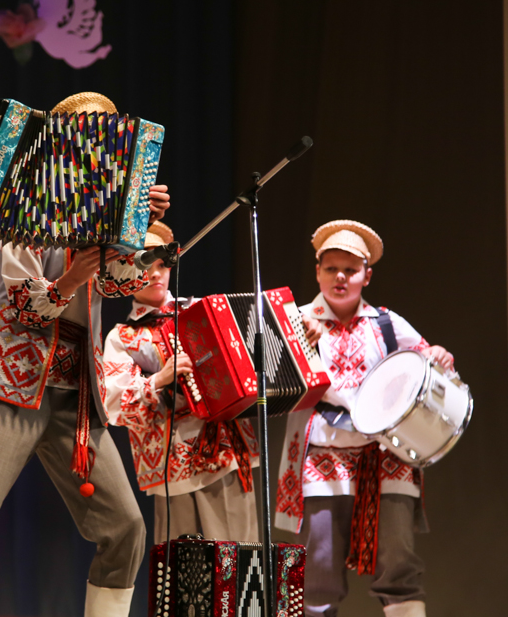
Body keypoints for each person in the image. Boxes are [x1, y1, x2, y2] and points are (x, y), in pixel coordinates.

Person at [0, 93, 171, 617]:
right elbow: (22, 304)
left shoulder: (110, 211)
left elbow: (120, 284)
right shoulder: (27, 204)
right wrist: (70, 278)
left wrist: (139, 229)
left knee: (125, 528)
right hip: (15, 387)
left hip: (76, 396)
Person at [275, 220, 454, 617]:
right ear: (317, 272)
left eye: (350, 270)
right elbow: (275, 385)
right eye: (330, 269)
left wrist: (439, 356)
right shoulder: (296, 322)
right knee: (317, 569)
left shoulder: (387, 324)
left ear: (366, 276)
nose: (340, 277)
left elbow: (427, 364)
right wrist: (298, 347)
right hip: (326, 454)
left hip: (384, 455)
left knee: (399, 564)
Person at [102, 221, 259, 545]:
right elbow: (113, 405)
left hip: (224, 455)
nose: (156, 273)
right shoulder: (122, 337)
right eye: (145, 264)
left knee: (237, 566)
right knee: (178, 577)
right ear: (123, 273)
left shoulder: (205, 311)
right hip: (168, 467)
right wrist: (158, 380)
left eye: (162, 264)